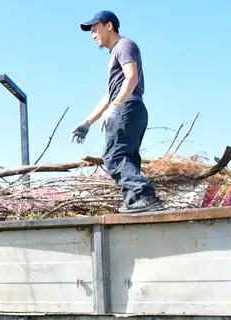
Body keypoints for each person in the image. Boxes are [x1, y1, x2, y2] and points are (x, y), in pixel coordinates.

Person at [71, 10, 165, 213]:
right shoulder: (114, 53)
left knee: (114, 156)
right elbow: (108, 95)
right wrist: (88, 122)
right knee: (127, 158)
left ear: (109, 26)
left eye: (95, 29)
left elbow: (132, 78)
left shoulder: (124, 45)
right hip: (129, 107)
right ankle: (135, 202)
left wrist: (116, 106)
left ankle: (144, 196)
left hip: (128, 107)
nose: (92, 35)